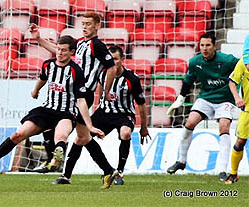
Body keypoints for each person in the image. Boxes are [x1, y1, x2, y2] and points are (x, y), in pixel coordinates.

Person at [0, 36, 117, 187]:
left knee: (62, 136)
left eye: (64, 50)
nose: (59, 53)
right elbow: (42, 78)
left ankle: (59, 159)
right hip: (46, 109)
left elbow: (81, 101)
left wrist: (90, 125)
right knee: (18, 134)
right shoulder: (48, 65)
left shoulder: (76, 71)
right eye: (58, 49)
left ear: (72, 52)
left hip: (66, 112)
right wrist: (35, 90)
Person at [30, 12, 118, 184]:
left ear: (97, 26)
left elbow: (112, 68)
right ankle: (106, 171)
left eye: (89, 24)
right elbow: (58, 50)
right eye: (83, 24)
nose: (85, 27)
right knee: (83, 137)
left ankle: (52, 162)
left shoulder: (97, 45)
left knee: (55, 121)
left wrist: (106, 91)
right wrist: (39, 40)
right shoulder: (80, 43)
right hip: (73, 93)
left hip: (83, 95)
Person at [52, 46, 151, 186]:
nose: (113, 62)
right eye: (111, 59)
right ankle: (66, 176)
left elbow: (141, 104)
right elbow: (97, 90)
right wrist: (94, 109)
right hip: (104, 112)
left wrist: (144, 128)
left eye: (116, 59)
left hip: (124, 114)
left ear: (122, 60)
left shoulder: (132, 79)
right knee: (81, 137)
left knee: (125, 133)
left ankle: (119, 173)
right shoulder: (102, 73)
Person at [166, 32, 239, 181]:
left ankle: (222, 170)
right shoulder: (195, 62)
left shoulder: (227, 60)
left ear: (215, 46)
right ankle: (181, 161)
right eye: (202, 45)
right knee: (190, 122)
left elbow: (244, 65)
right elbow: (188, 81)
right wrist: (180, 99)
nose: (204, 48)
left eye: (208, 45)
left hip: (225, 99)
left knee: (224, 127)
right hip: (205, 98)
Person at [225, 34, 249, 184]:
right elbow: (232, 81)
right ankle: (233, 173)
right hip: (247, 110)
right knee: (240, 141)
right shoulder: (242, 63)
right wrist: (237, 98)